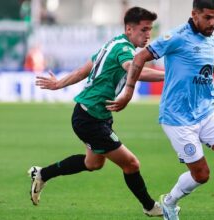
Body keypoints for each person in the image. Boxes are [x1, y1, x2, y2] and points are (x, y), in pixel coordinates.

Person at [107, 0, 214, 219]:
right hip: (178, 118)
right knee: (201, 175)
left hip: (206, 111)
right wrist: (129, 91)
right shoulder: (177, 37)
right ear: (194, 14)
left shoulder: (210, 38)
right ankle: (169, 202)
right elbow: (141, 57)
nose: (213, 23)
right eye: (208, 17)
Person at [28, 6, 165, 217]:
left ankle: (42, 173)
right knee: (131, 163)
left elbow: (85, 69)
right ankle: (150, 207)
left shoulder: (113, 43)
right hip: (90, 119)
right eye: (144, 30)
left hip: (92, 114)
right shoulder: (124, 50)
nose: (148, 35)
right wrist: (169, 75)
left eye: (150, 30)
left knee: (92, 163)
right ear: (129, 29)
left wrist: (59, 84)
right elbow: (133, 68)